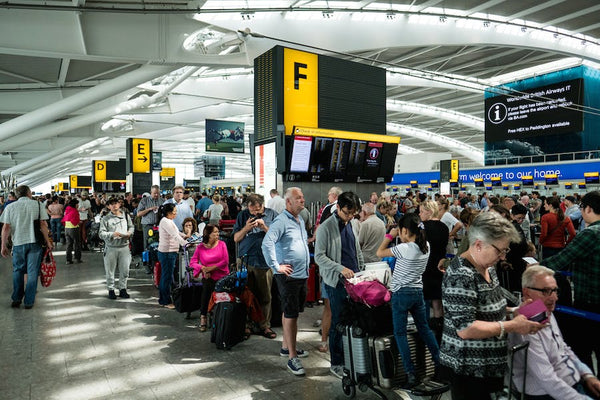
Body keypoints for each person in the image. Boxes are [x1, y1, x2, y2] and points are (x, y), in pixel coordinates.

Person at [440, 212, 547, 400]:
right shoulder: (461, 275)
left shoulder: (488, 267)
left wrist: (517, 311)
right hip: (469, 369)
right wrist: (513, 325)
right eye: (501, 250)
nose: (503, 257)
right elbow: (465, 328)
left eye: (505, 251)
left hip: (490, 364)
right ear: (479, 244)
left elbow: (489, 307)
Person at [508, 265, 600, 400]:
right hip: (549, 393)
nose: (554, 298)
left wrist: (587, 375)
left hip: (571, 382)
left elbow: (564, 349)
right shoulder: (525, 324)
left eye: (555, 291)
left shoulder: (543, 310)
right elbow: (546, 378)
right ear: (526, 292)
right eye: (546, 291)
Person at [377, 213, 440, 388]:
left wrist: (391, 235)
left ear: (405, 230)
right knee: (424, 329)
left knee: (400, 333)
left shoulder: (405, 248)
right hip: (418, 292)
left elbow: (379, 252)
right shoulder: (425, 246)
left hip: (401, 294)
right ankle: (439, 363)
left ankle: (411, 373)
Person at [541, 191, 600, 375]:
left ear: (588, 208)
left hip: (590, 302)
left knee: (581, 349)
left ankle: (589, 388)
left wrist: (533, 268)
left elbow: (560, 261)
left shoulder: (591, 234)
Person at [262, 187, 311, 376]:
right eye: (298, 198)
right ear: (288, 202)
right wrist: (276, 267)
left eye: (303, 197)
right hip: (288, 277)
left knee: (291, 313)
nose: (302, 200)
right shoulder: (281, 221)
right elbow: (267, 243)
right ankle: (292, 357)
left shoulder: (299, 220)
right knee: (291, 315)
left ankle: (285, 347)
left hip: (300, 275)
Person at [315, 191, 363, 379]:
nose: (350, 216)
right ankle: (336, 362)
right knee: (338, 322)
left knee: (352, 320)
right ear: (338, 207)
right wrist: (340, 268)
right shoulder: (326, 227)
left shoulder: (351, 224)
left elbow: (356, 249)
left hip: (354, 281)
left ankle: (350, 358)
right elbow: (319, 257)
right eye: (347, 213)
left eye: (353, 213)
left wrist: (362, 270)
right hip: (336, 282)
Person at [233, 193, 278, 339]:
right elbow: (236, 238)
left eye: (258, 209)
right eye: (252, 210)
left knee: (265, 295)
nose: (255, 213)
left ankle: (264, 325)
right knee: (245, 295)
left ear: (263, 205)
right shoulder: (242, 215)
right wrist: (246, 228)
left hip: (265, 261)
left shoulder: (272, 215)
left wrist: (264, 226)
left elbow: (279, 237)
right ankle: (247, 325)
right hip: (245, 260)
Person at [1, 185, 53, 309]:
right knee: (32, 272)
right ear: (29, 193)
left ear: (17, 195)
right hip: (35, 243)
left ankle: (17, 298)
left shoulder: (10, 207)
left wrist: (3, 245)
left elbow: (6, 228)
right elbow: (43, 225)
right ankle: (29, 301)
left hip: (18, 243)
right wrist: (48, 242)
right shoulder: (38, 205)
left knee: (18, 271)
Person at [189, 224, 229, 332]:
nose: (217, 234)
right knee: (206, 290)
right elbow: (192, 262)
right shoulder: (200, 247)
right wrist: (202, 268)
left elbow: (225, 261)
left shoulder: (222, 244)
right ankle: (203, 317)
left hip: (222, 275)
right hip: (208, 276)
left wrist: (211, 268)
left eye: (217, 232)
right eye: (215, 232)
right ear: (208, 235)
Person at [419, 200, 449, 340]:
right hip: (440, 266)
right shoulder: (444, 227)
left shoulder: (423, 227)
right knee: (438, 301)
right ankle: (440, 331)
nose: (419, 214)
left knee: (423, 301)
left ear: (429, 212)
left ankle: (423, 332)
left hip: (425, 267)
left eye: (422, 211)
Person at [99, 197, 134, 300]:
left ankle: (123, 288)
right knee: (110, 270)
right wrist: (112, 234)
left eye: (116, 203)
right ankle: (111, 289)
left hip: (124, 247)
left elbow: (131, 227)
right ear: (108, 206)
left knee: (125, 270)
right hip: (111, 248)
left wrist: (129, 233)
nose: (114, 206)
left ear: (120, 204)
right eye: (111, 204)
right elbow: (101, 233)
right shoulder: (105, 219)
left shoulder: (126, 217)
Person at [157, 203, 189, 309]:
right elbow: (175, 236)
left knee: (169, 277)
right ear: (169, 213)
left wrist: (186, 236)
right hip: (167, 253)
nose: (176, 214)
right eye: (174, 212)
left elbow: (177, 232)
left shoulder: (169, 221)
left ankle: (167, 299)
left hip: (170, 252)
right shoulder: (165, 221)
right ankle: (164, 301)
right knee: (166, 278)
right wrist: (185, 243)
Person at [62, 198, 82, 264]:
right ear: (75, 204)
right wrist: (79, 222)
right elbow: (75, 221)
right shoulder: (75, 211)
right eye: (77, 204)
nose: (78, 205)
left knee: (69, 244)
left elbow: (65, 219)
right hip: (74, 229)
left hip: (66, 229)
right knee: (77, 243)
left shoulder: (67, 210)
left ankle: (68, 260)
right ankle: (77, 258)